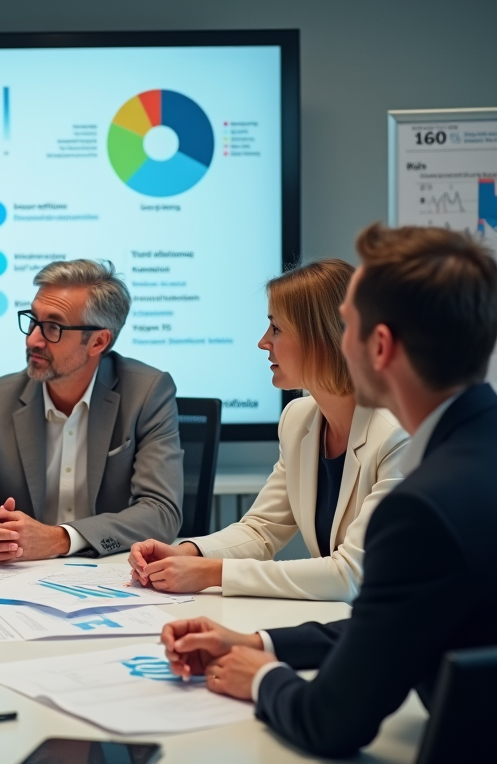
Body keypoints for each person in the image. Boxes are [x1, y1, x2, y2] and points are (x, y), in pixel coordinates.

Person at [159, 224, 497, 757]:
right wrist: (259, 642)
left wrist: (263, 676)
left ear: (379, 347)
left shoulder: (423, 507)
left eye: (345, 328)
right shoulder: (477, 452)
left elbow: (331, 722)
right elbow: (395, 623)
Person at [129, 260, 408, 601]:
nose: (263, 343)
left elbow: (351, 574)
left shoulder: (397, 433)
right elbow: (261, 531)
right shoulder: (298, 418)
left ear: (320, 336)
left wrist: (213, 573)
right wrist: (188, 553)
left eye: (276, 329)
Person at [0, 259, 183, 560]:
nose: (32, 339)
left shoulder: (147, 393)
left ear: (98, 341)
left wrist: (60, 539)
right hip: (20, 578)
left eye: (53, 327)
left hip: (111, 576)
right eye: (33, 321)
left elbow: (161, 511)